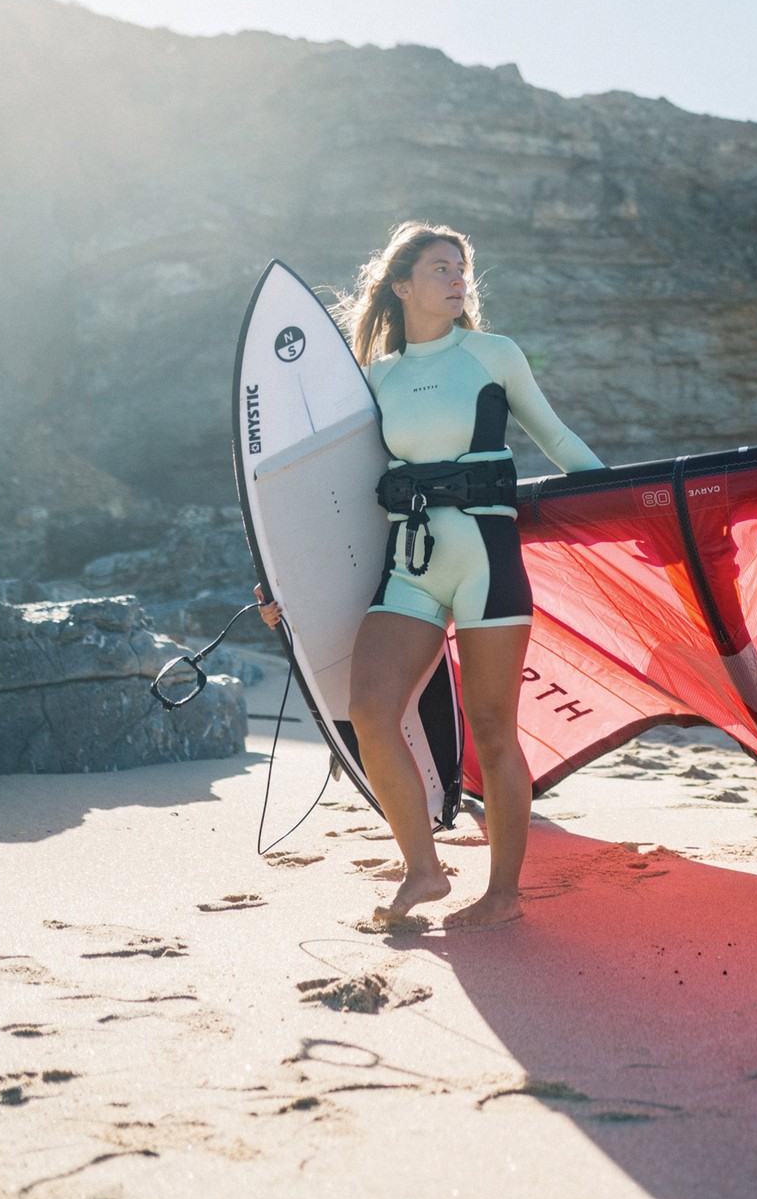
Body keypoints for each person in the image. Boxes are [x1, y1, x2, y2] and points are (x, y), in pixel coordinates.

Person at [258, 222, 602, 927]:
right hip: (409, 567)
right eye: (440, 267)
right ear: (401, 285)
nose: (456, 279)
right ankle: (424, 871)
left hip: (485, 563)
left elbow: (558, 439)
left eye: (461, 268)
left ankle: (502, 895)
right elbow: (332, 493)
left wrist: (635, 504)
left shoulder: (493, 355)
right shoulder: (376, 378)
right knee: (370, 710)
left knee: (493, 728)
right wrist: (283, 580)